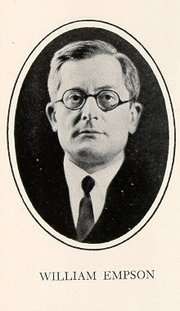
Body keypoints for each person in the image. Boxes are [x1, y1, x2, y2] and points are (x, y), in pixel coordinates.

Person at [43, 40, 154, 243]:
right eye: (75, 98)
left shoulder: (157, 196)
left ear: (132, 116)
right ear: (54, 116)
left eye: (107, 98)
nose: (89, 113)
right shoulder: (23, 193)